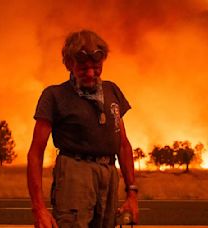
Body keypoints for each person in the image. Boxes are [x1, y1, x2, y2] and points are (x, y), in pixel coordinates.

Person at [27, 30, 139, 228]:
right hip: (74, 175)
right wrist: (39, 209)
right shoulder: (54, 95)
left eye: (96, 67)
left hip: (109, 174)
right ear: (69, 64)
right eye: (83, 67)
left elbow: (122, 145)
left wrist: (132, 194)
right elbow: (36, 153)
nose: (90, 73)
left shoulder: (112, 91)